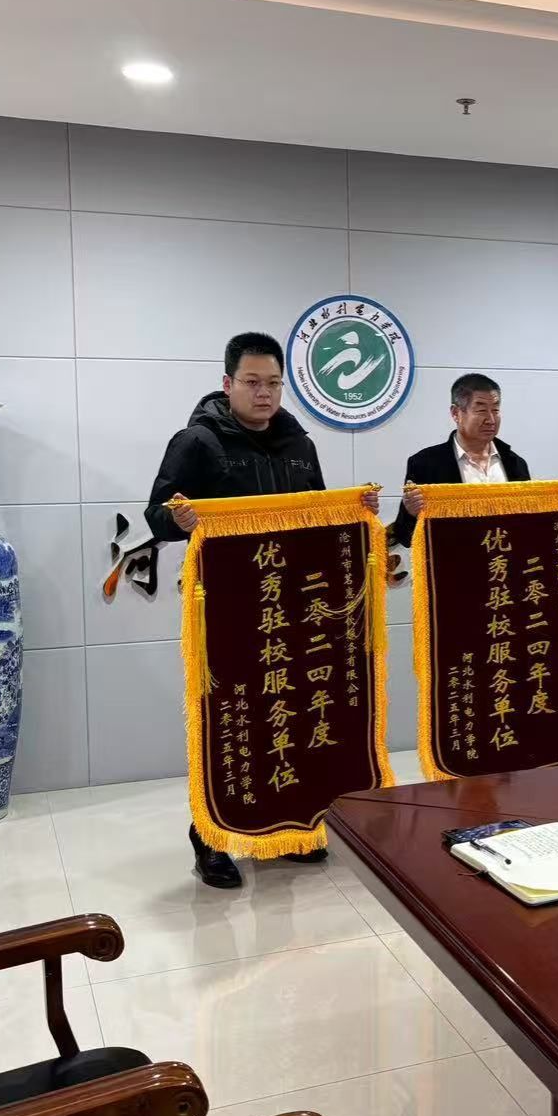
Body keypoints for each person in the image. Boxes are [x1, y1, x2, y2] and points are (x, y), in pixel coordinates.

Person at [145, 331, 378, 889]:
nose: (264, 393)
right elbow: (155, 514)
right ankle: (210, 838)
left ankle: (284, 830)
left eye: (273, 383)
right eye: (252, 382)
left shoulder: (300, 444)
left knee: (289, 711)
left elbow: (318, 516)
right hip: (227, 608)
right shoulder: (197, 442)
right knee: (227, 718)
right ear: (228, 384)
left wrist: (358, 511)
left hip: (293, 605)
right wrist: (177, 519)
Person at [389, 373, 558, 547]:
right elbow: (405, 537)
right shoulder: (425, 464)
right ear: (456, 413)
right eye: (481, 410)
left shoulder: (515, 463)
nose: (491, 419)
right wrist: (411, 512)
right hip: (454, 573)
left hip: (505, 570)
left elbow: (531, 523)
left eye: (495, 410)